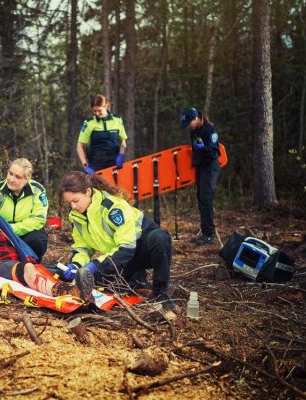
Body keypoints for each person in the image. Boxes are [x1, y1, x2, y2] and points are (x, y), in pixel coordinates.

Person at [58, 171, 175, 309]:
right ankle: (135, 280)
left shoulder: (113, 207)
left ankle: (161, 294)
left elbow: (126, 247)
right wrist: (76, 265)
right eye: (69, 203)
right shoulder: (76, 216)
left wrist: (95, 265)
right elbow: (82, 247)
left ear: (88, 192)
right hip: (118, 257)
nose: (73, 207)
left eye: (75, 201)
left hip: (138, 249)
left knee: (160, 238)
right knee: (90, 282)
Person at [0, 173, 77, 297]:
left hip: (14, 260)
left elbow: (12, 239)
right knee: (28, 269)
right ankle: (61, 291)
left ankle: (79, 285)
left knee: (61, 271)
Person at [0, 158, 49, 261]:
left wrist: (12, 229)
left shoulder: (37, 190)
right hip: (3, 233)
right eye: (10, 173)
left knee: (38, 240)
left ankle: (33, 261)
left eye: (18, 177)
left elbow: (38, 219)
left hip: (26, 231)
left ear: (27, 179)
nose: (11, 179)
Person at [179, 107, 221, 246]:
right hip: (200, 167)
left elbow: (215, 153)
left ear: (196, 118)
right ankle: (205, 231)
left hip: (210, 167)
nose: (188, 127)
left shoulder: (210, 131)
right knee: (200, 198)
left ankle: (209, 235)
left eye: (189, 123)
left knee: (206, 198)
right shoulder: (194, 131)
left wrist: (204, 148)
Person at [76, 95, 127, 174]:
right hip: (96, 163)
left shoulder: (117, 120)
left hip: (114, 162)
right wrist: (85, 165)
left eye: (99, 110)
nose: (97, 113)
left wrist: (121, 154)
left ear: (106, 106)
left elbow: (123, 141)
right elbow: (80, 145)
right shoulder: (89, 122)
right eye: (94, 111)